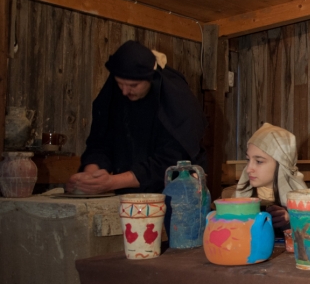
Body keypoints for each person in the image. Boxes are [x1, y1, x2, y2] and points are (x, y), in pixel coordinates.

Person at [67, 40, 206, 195]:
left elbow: (170, 162)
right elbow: (100, 143)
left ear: (150, 79)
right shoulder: (114, 95)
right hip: (127, 195)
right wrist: (91, 175)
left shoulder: (177, 103)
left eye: (133, 86)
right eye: (120, 84)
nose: (125, 92)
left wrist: (112, 182)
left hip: (175, 195)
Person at [233, 123, 307, 232]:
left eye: (259, 161)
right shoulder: (234, 197)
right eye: (248, 159)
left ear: (282, 164)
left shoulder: (306, 203)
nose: (248, 169)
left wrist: (290, 220)